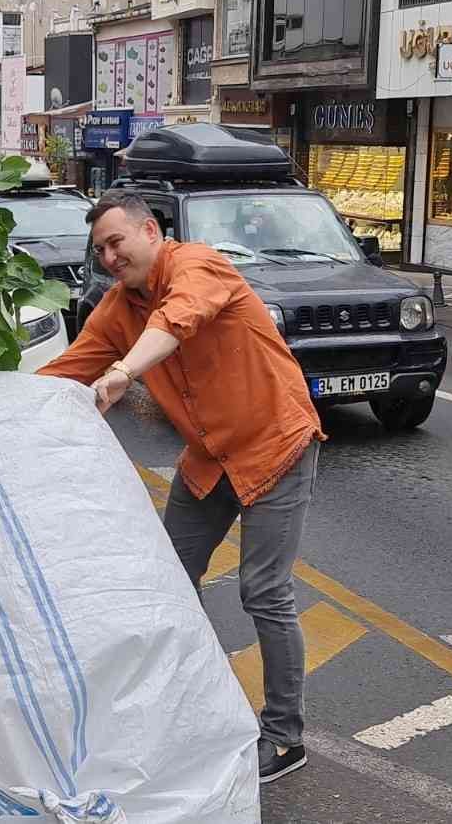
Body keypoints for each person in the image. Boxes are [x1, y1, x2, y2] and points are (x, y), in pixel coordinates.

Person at [36, 190, 325, 786]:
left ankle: (284, 735)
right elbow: (62, 372)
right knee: (168, 582)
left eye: (117, 242)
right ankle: (193, 705)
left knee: (264, 592)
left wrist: (121, 374)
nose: (110, 257)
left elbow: (180, 317)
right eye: (100, 251)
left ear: (150, 231)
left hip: (277, 444)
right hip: (209, 459)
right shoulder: (117, 310)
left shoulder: (199, 265)